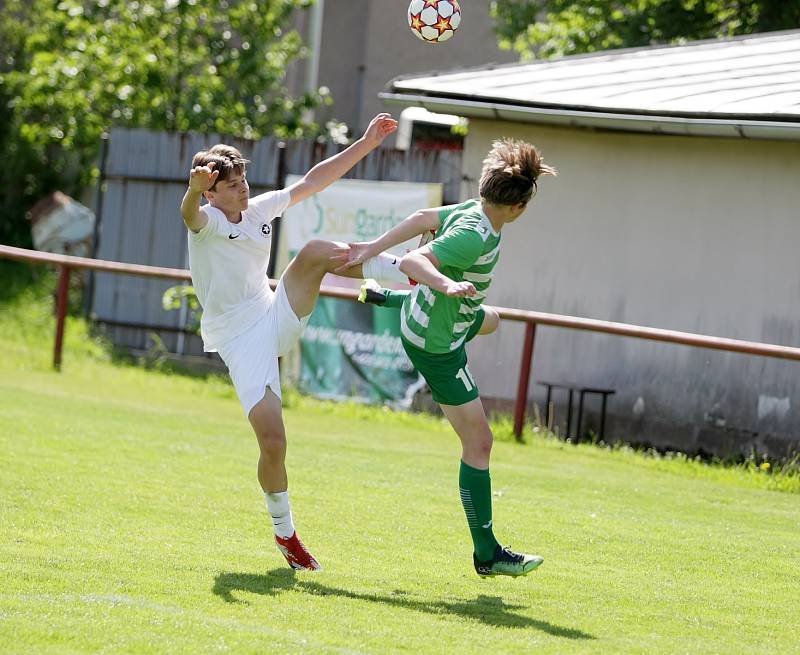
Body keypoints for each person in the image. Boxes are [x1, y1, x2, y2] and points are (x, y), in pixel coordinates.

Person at [180, 113, 398, 571]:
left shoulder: (256, 210)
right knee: (274, 443)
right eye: (232, 184)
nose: (242, 188)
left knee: (315, 250)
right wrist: (192, 190)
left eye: (243, 179)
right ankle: (286, 535)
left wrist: (365, 141)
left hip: (275, 312)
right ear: (211, 192)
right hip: (240, 342)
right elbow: (190, 214)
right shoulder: (208, 224)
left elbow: (315, 182)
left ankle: (409, 273)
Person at [337, 138, 556, 577]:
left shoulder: (472, 213)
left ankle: (387, 299)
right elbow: (416, 261)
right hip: (438, 346)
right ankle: (487, 554)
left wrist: (371, 247)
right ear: (519, 207)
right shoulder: (474, 236)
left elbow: (421, 218)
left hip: (436, 318)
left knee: (492, 319)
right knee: (479, 443)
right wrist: (443, 284)